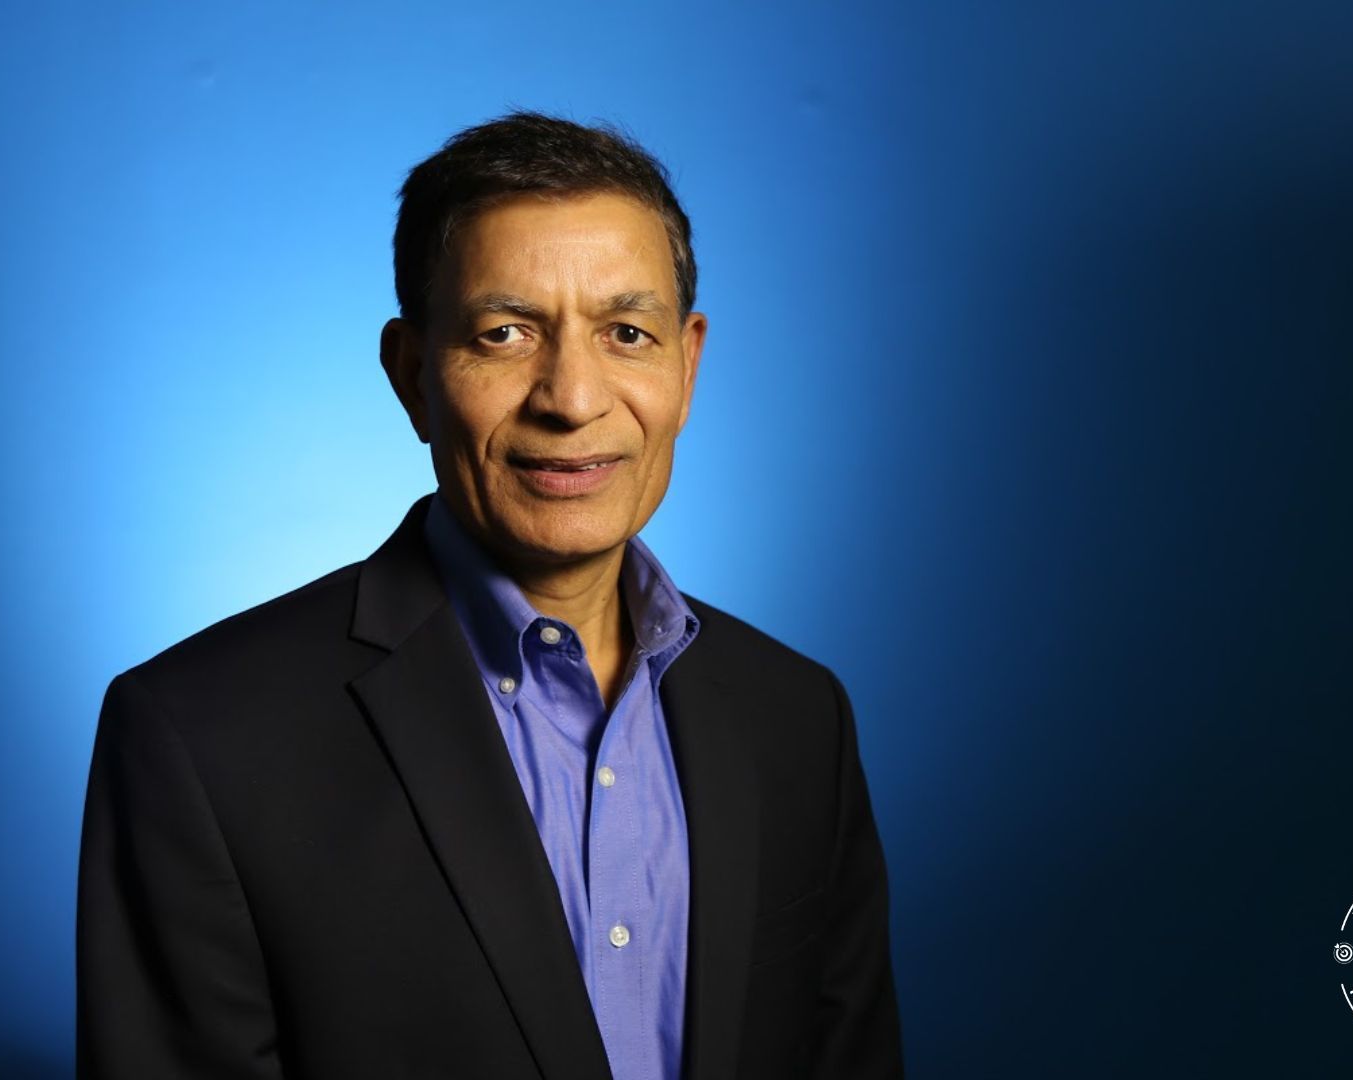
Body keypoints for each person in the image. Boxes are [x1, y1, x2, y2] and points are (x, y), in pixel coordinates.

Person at [76, 110, 905, 1079]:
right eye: (504, 333)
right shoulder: (201, 738)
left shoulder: (799, 719)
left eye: (626, 333)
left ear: (687, 365)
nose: (572, 397)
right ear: (413, 374)